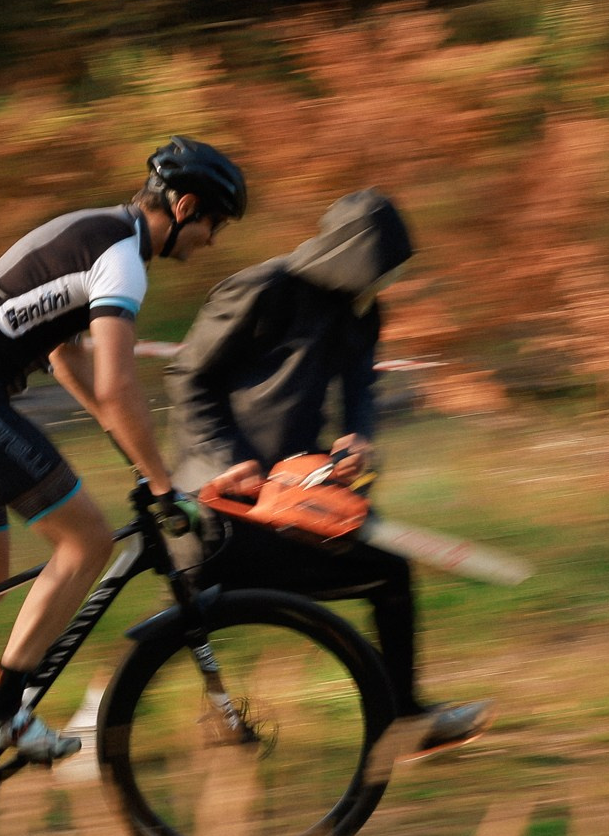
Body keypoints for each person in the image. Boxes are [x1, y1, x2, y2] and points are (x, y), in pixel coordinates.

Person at [0, 137, 248, 767]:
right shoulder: (123, 259)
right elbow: (117, 384)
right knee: (86, 541)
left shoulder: (96, 229)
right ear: (185, 206)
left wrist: (127, 446)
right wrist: (162, 485)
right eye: (213, 225)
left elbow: (66, 358)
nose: (212, 241)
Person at [166, 188, 491, 753]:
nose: (383, 282)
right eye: (378, 267)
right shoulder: (260, 289)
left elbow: (360, 389)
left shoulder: (359, 310)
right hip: (218, 505)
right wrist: (228, 460)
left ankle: (404, 720)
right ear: (349, 252)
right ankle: (100, 726)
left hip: (296, 500)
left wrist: (359, 440)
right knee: (178, 618)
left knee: (389, 572)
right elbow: (188, 378)